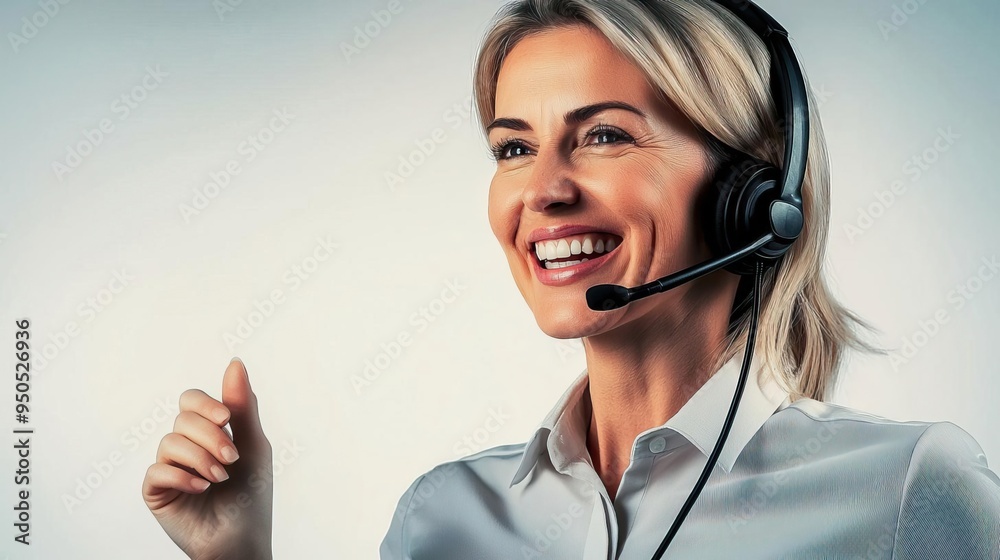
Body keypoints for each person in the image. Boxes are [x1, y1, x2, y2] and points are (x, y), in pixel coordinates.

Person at [141, 0, 1000, 558]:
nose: (545, 190)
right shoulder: (443, 519)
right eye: (514, 148)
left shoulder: (911, 489)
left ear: (755, 192)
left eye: (605, 136)